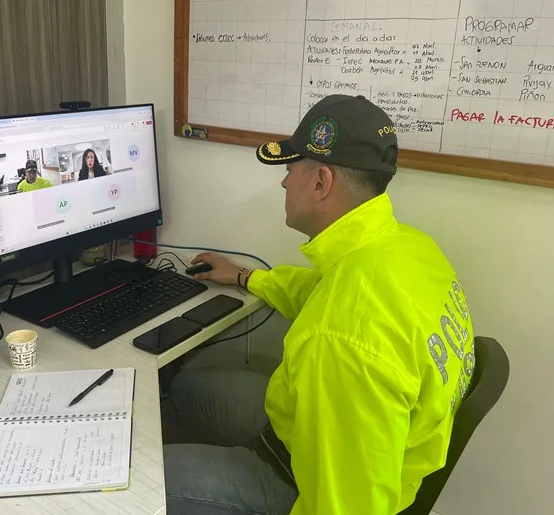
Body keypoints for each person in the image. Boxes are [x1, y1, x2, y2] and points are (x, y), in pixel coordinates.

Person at [162, 95, 476, 514]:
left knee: (143, 478)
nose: (283, 183)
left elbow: (349, 505)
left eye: (290, 169)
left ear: (320, 182)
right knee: (184, 389)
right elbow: (321, 292)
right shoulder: (408, 248)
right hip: (326, 437)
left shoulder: (341, 340)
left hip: (307, 483)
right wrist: (244, 276)